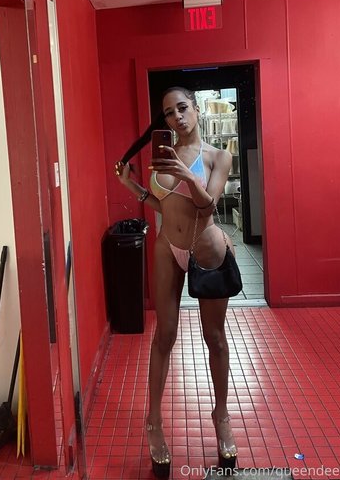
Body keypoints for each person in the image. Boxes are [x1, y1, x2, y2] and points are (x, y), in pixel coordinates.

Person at [114, 87, 238, 478]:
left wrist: (186, 174)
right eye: (168, 113)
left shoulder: (218, 156)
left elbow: (207, 204)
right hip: (168, 245)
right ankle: (153, 422)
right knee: (163, 336)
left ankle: (221, 416)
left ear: (196, 109)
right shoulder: (162, 156)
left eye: (182, 108)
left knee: (214, 337)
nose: (176, 117)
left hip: (206, 247)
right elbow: (163, 204)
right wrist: (132, 186)